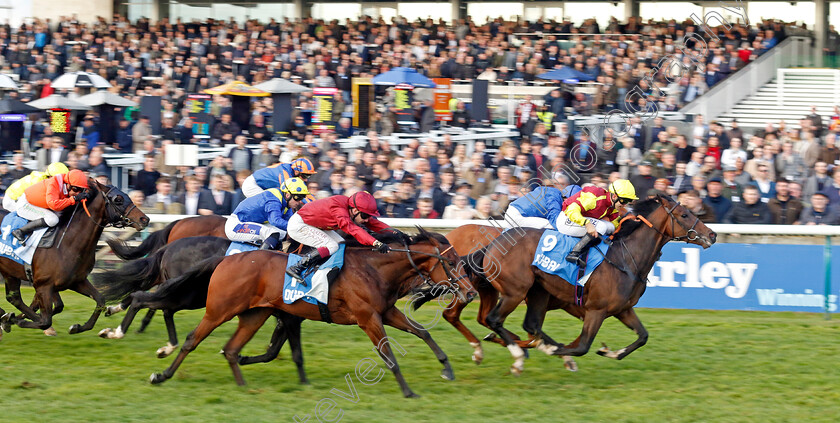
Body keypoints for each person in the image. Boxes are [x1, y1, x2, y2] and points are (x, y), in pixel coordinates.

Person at [285, 191, 395, 283]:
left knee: (341, 244)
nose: (367, 219)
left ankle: (321, 269)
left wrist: (395, 233)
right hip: (299, 225)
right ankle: (296, 267)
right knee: (332, 246)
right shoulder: (339, 209)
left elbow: (373, 223)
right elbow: (353, 229)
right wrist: (376, 243)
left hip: (313, 225)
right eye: (365, 216)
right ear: (355, 210)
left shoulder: (353, 207)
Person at [561, 179, 638, 266]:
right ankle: (574, 253)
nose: (624, 205)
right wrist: (587, 223)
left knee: (611, 227)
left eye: (628, 202)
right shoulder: (594, 197)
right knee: (601, 226)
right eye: (624, 201)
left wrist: (632, 225)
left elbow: (616, 225)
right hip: (566, 218)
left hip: (577, 221)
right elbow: (571, 210)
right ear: (614, 197)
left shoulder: (612, 207)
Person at [224, 177, 309, 251]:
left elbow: (289, 222)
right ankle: (260, 261)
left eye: (302, 198)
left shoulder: (286, 203)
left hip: (252, 223)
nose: (299, 202)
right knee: (273, 234)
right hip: (236, 225)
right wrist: (298, 228)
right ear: (287, 195)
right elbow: (275, 221)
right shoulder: (273, 199)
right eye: (298, 197)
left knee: (283, 234)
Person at [12, 169, 89, 245]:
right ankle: (20, 231)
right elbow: (54, 205)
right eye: (75, 189)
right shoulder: (54, 184)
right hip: (26, 205)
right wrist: (74, 199)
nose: (77, 193)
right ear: (67, 184)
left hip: (40, 205)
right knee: (52, 219)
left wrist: (82, 198)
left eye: (81, 190)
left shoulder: (65, 184)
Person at [3, 162, 69, 212]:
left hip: (19, 197)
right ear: (51, 176)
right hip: (12, 200)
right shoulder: (38, 182)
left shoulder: (46, 179)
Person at [241, 157, 316, 198]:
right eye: (305, 176)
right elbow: (293, 193)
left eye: (309, 176)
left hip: (260, 185)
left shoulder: (291, 170)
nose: (306, 179)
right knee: (272, 202)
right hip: (252, 185)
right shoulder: (286, 173)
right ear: (296, 171)